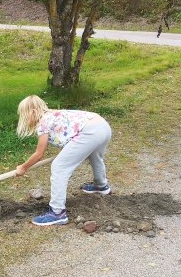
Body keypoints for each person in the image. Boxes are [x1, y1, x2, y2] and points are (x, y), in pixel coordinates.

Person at [15, 95, 112, 226]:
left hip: (89, 131)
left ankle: (57, 212)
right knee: (95, 156)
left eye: (24, 115)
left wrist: (23, 167)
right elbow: (70, 132)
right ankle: (101, 186)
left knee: (59, 167)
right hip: (102, 125)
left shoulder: (43, 122)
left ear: (32, 112)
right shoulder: (53, 114)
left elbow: (39, 154)